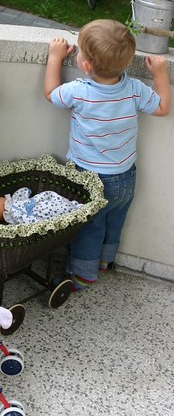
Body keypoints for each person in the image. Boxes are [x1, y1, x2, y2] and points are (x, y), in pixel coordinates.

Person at [44, 19, 171, 291]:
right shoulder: (134, 89)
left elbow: (51, 94)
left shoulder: (79, 91)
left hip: (90, 177)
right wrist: (160, 73)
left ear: (86, 65)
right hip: (126, 175)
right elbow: (161, 108)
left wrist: (55, 57)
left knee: (89, 226)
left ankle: (82, 274)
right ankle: (105, 260)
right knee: (115, 219)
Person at [0, 187, 83, 224]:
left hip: (36, 207)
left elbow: (23, 193)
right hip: (37, 208)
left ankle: (74, 208)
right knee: (53, 206)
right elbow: (25, 191)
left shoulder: (12, 216)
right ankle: (75, 208)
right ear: (2, 202)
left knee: (54, 206)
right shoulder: (14, 211)